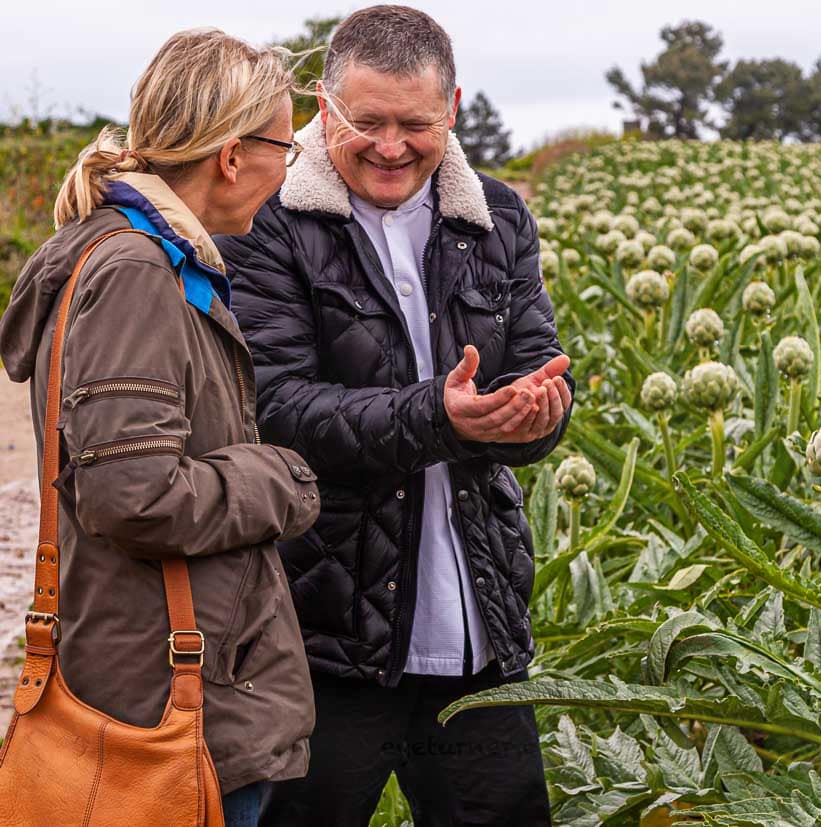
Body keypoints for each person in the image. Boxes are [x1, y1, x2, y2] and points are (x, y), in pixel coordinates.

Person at [214, 6, 572, 825]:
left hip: (478, 629)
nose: (390, 145)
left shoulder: (497, 217)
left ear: (452, 108)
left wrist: (536, 414)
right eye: (365, 122)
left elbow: (536, 364)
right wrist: (441, 419)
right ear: (322, 104)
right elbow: (273, 410)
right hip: (322, 634)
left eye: (416, 123)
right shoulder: (266, 219)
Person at [0, 29, 321, 827]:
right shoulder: (138, 272)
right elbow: (131, 492)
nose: (291, 168)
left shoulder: (142, 258)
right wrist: (280, 479)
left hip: (151, 670)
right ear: (232, 155)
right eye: (285, 145)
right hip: (162, 695)